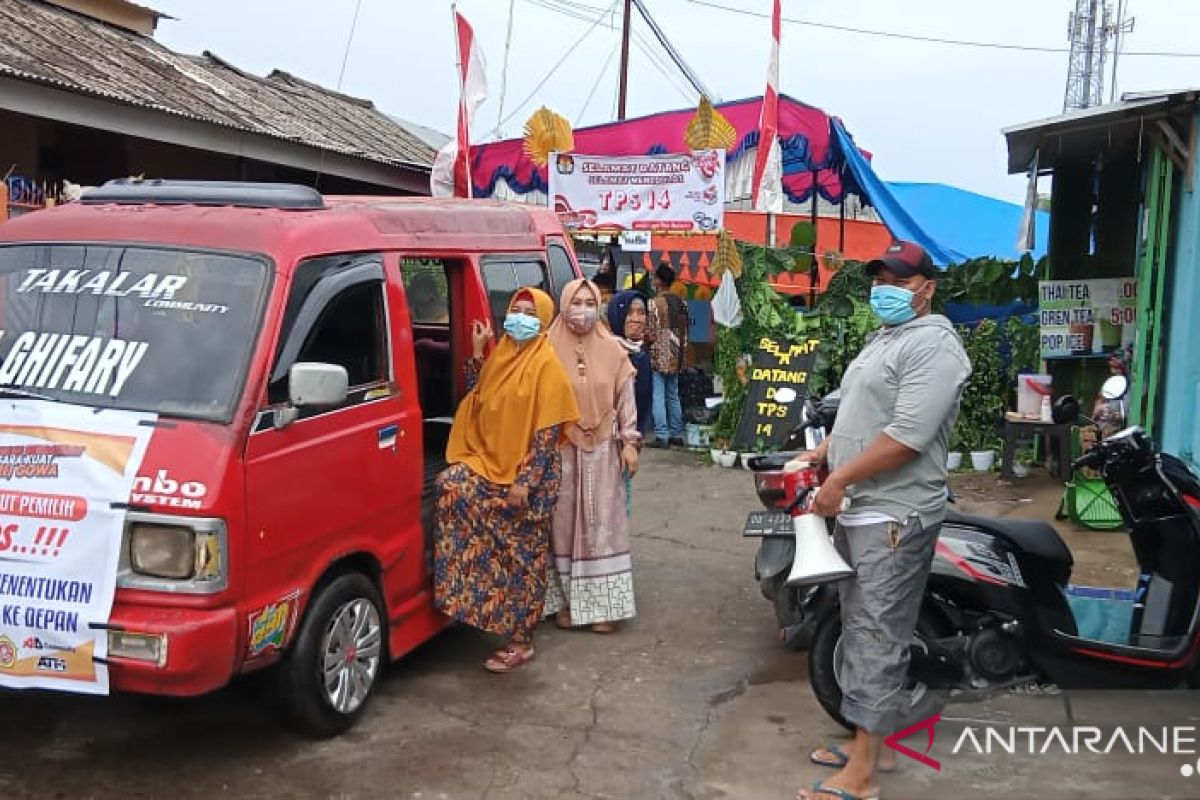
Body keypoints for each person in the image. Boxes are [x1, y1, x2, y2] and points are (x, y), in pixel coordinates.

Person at [796, 241, 971, 800]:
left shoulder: (936, 346)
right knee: (863, 627)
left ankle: (865, 775)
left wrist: (840, 479)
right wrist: (824, 454)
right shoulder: (887, 339)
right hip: (865, 509)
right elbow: (860, 413)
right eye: (880, 278)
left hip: (895, 512)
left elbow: (906, 438)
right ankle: (873, 746)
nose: (885, 289)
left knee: (878, 632)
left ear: (926, 287)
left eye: (898, 279)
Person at [433, 288, 580, 673]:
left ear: (545, 320)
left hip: (528, 480)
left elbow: (547, 437)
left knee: (523, 558)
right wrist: (479, 353)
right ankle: (469, 600)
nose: (522, 317)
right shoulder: (501, 355)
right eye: (517, 310)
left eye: (531, 312)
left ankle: (521, 640)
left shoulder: (547, 366)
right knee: (451, 485)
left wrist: (524, 482)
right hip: (491, 462)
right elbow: (476, 395)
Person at [545, 278, 641, 634]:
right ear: (564, 303)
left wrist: (630, 442)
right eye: (577, 301)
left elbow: (624, 399)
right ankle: (569, 604)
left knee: (603, 524)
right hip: (561, 446)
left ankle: (603, 607)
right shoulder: (547, 348)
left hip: (603, 448)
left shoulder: (613, 350)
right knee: (564, 524)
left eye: (590, 302)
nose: (583, 308)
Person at [646, 263, 689, 448]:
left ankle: (662, 435)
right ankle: (676, 433)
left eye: (654, 277)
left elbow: (650, 331)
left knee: (658, 394)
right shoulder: (681, 302)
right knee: (673, 394)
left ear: (658, 281)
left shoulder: (655, 303)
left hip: (661, 349)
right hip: (678, 350)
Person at [607, 290, 653, 437]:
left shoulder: (641, 355)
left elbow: (644, 405)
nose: (637, 319)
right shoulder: (607, 353)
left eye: (641, 313)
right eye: (629, 312)